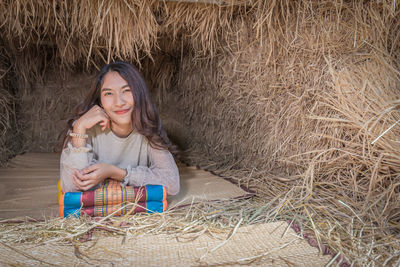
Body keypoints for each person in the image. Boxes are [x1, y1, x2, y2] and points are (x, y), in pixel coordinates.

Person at [60, 61, 180, 196]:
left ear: (139, 94)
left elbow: (172, 184)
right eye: (109, 93)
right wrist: (79, 127)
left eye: (127, 90)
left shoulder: (148, 128)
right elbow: (70, 188)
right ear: (100, 101)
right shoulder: (83, 127)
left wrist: (116, 173)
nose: (119, 102)